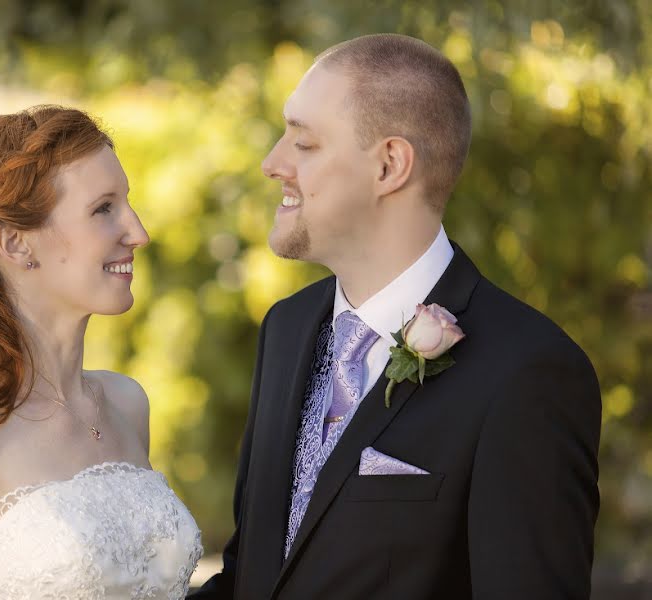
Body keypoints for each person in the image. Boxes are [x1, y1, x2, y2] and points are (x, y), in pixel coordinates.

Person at [193, 34, 600, 599]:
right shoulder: (285, 329)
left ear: (389, 165)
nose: (272, 163)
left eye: (304, 144)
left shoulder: (528, 372)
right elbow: (252, 578)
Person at [0, 105, 202, 599]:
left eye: (126, 204)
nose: (138, 232)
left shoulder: (127, 405)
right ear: (16, 242)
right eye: (103, 208)